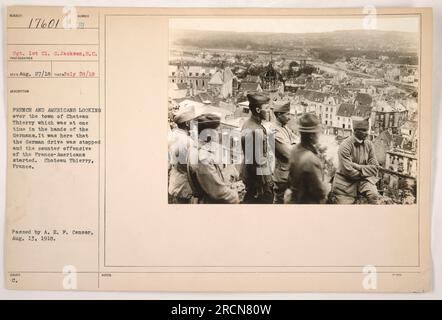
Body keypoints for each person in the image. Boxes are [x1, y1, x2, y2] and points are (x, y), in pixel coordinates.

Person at [187, 113, 240, 204]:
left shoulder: (203, 148)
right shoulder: (203, 158)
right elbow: (217, 192)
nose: (219, 133)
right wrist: (236, 197)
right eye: (217, 130)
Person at [331, 117, 379, 204]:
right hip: (345, 183)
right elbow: (348, 171)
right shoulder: (345, 145)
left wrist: (357, 166)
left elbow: (375, 168)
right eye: (364, 130)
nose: (367, 133)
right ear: (356, 131)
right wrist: (366, 171)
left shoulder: (369, 145)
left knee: (374, 196)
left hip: (364, 181)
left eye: (367, 130)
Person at [240, 93, 274, 204]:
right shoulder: (254, 130)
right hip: (257, 179)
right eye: (267, 108)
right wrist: (265, 183)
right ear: (258, 110)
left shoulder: (250, 123)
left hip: (253, 176)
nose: (269, 111)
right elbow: (255, 163)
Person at [286, 113, 327, 204]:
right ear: (312, 136)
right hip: (307, 203)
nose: (318, 135)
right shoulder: (310, 159)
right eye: (317, 133)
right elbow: (321, 191)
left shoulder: (294, 150)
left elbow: (289, 179)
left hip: (294, 200)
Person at [167, 106, 197, 203]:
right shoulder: (189, 142)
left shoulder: (171, 135)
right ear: (187, 123)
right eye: (193, 121)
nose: (195, 124)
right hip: (185, 186)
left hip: (174, 181)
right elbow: (194, 167)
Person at [271, 100, 297, 203]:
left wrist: (292, 144)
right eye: (287, 114)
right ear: (279, 114)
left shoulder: (284, 127)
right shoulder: (274, 132)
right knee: (280, 203)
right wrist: (294, 145)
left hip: (289, 174)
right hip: (282, 177)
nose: (289, 117)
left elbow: (297, 139)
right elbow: (290, 154)